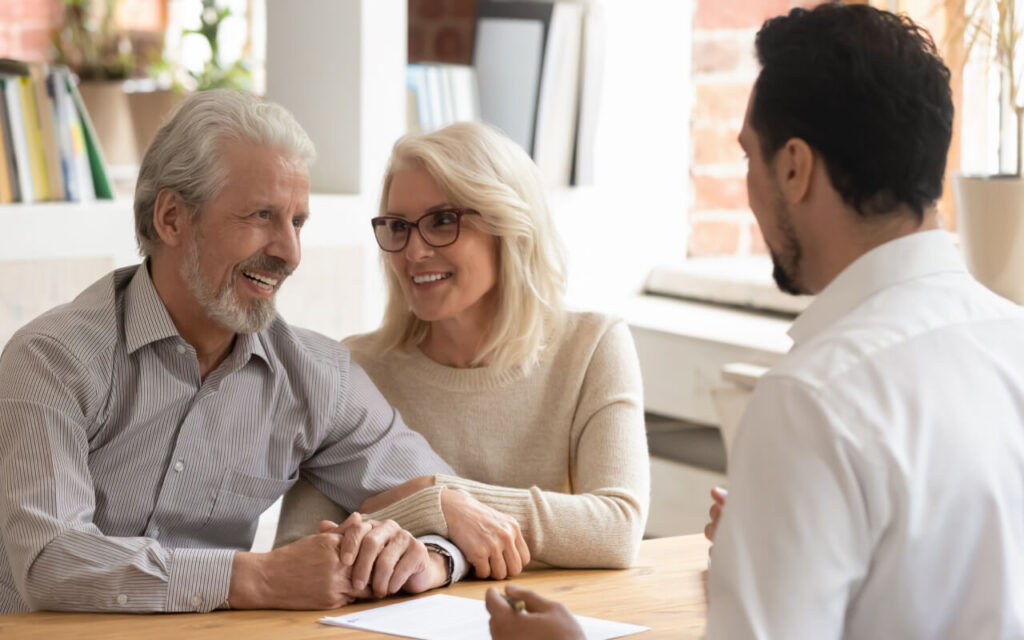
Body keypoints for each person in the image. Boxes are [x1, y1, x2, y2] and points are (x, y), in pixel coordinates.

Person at [486, 3, 1024, 638]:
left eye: (748, 157)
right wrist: (766, 559)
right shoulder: (1011, 341)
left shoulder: (812, 400)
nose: (748, 184)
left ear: (794, 168)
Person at [0, 89, 468, 614]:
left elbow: (456, 510)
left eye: (296, 223)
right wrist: (259, 579)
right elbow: (49, 561)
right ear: (172, 219)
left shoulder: (317, 378)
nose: (289, 253)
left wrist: (428, 558)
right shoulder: (50, 360)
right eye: (261, 215)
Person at [274, 121, 650, 577]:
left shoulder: (593, 347)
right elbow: (301, 548)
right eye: (398, 227)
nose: (413, 253)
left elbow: (617, 528)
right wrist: (442, 511)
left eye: (442, 221)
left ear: (509, 227)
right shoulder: (352, 368)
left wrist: (432, 491)